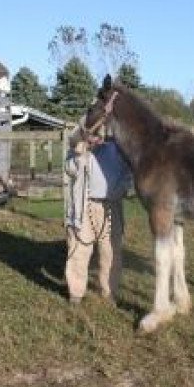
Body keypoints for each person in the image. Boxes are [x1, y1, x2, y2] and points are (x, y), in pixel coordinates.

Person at [64, 124, 132, 304]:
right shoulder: (79, 152)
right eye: (91, 135)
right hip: (85, 206)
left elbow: (128, 175)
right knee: (79, 248)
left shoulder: (117, 150)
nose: (96, 138)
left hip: (111, 206)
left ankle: (109, 291)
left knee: (111, 251)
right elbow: (70, 169)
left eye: (98, 135)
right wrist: (80, 151)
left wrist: (122, 189)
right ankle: (76, 293)